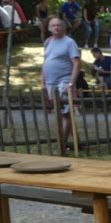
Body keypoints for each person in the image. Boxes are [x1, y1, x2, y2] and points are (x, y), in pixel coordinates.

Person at [41, 16, 80, 151]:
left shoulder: (69, 42)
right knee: (59, 113)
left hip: (64, 80)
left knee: (66, 112)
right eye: (53, 25)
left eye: (58, 25)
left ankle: (61, 144)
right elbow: (45, 62)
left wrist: (71, 83)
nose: (56, 28)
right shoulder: (48, 42)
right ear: (49, 28)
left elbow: (76, 64)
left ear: (63, 27)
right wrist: (42, 81)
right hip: (50, 82)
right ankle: (77, 142)